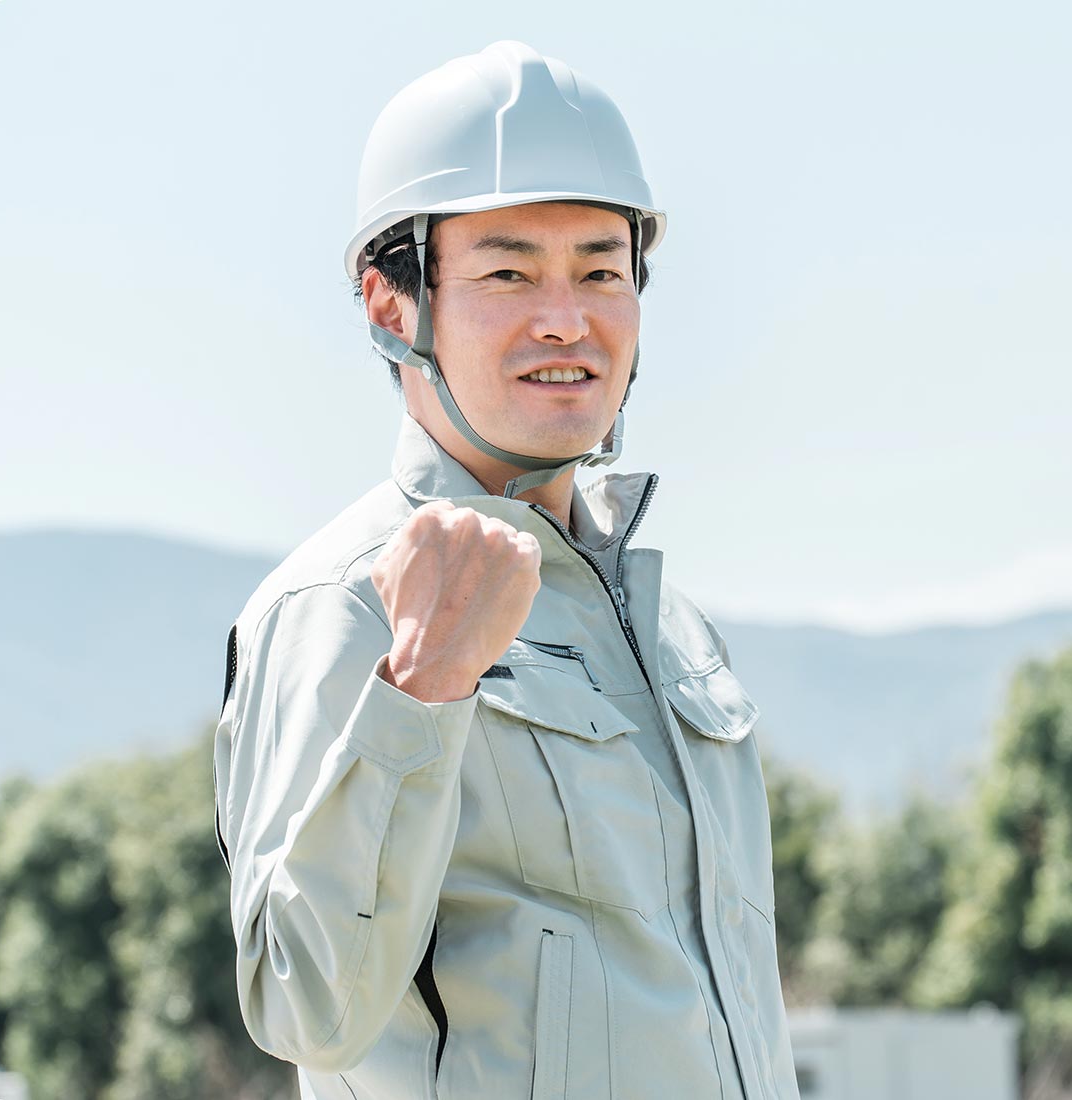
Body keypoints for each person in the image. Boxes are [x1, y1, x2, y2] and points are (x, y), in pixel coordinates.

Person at [212, 40, 799, 1100]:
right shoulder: (343, 604)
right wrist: (421, 688)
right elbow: (307, 1008)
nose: (566, 318)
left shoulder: (671, 627)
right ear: (391, 304)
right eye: (508, 272)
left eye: (601, 270)